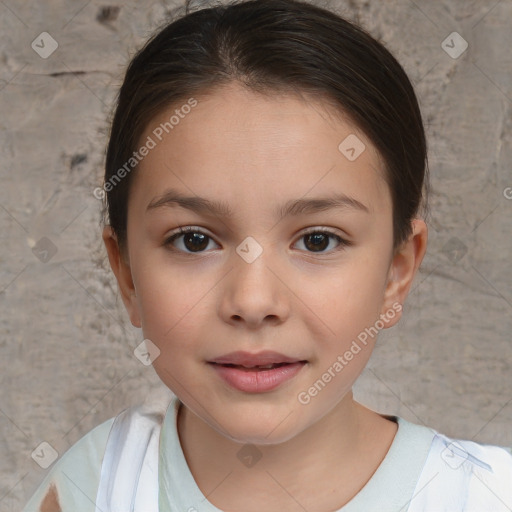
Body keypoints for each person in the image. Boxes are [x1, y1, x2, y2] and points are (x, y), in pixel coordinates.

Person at [23, 0, 512, 510]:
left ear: (397, 270)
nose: (253, 302)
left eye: (318, 240)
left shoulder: (486, 495)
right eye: (194, 240)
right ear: (125, 274)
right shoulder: (91, 489)